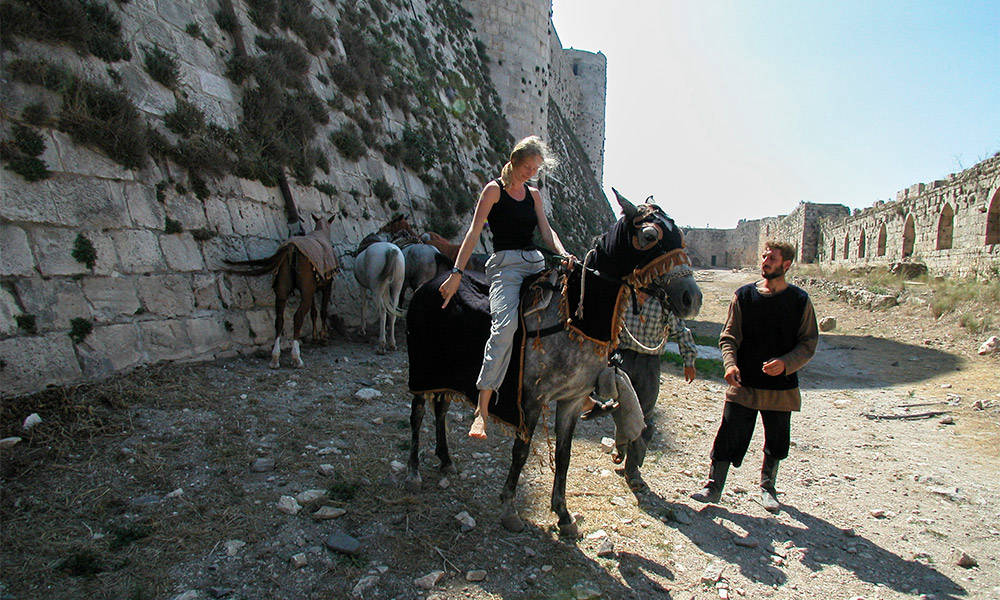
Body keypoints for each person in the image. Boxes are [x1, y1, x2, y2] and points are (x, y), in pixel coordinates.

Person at [438, 136, 575, 439]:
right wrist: (457, 273)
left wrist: (563, 253)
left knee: (567, 309)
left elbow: (546, 230)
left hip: (535, 261)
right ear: (514, 161)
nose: (530, 172)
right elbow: (474, 233)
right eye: (527, 166)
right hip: (505, 267)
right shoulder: (493, 191)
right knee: (505, 328)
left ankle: (576, 386)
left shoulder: (534, 195)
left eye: (535, 169)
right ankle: (482, 411)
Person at [691, 241, 818, 513]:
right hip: (743, 384)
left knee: (777, 440)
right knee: (728, 434)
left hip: (781, 390)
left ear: (786, 265)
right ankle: (713, 486)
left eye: (772, 258)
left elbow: (808, 344)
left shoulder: (800, 301)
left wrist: (786, 363)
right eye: (764, 256)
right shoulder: (744, 296)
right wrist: (729, 364)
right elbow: (728, 337)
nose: (765, 261)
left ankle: (767, 487)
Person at [599, 288, 698, 484]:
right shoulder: (624, 298)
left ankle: (633, 468)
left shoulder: (663, 304)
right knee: (620, 409)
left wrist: (689, 360)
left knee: (645, 416)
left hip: (649, 364)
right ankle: (622, 446)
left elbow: (681, 330)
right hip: (623, 358)